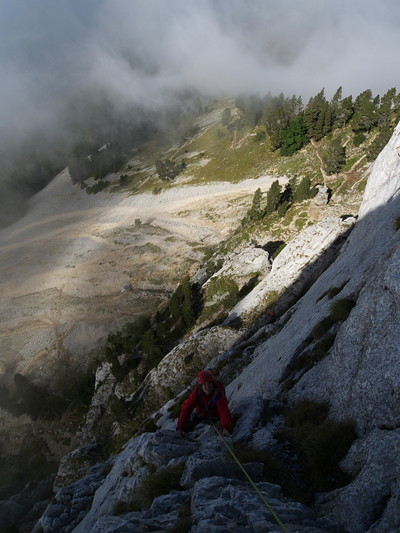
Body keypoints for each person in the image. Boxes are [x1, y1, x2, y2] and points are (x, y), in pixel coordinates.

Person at [177, 370, 233, 437]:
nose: (207, 386)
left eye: (209, 383)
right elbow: (186, 408)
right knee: (187, 428)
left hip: (215, 415)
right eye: (204, 384)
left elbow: (223, 410)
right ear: (201, 386)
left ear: (213, 383)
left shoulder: (218, 393)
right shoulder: (197, 394)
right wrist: (180, 427)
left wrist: (225, 428)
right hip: (201, 414)